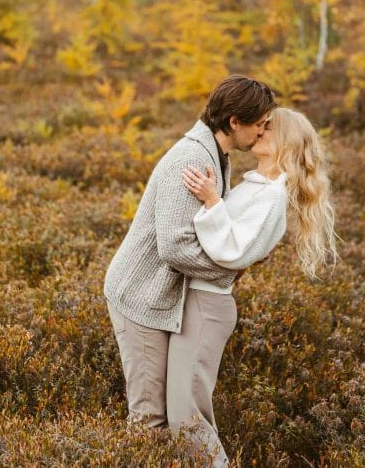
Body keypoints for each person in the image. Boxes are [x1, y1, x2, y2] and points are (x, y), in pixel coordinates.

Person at [103, 75, 277, 464]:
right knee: (149, 417)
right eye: (260, 123)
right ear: (235, 122)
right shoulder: (192, 159)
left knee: (172, 411)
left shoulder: (217, 156)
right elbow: (175, 247)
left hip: (165, 297)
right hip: (141, 298)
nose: (265, 131)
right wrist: (229, 272)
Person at [175, 107, 338, 466]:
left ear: (286, 142)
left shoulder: (272, 197)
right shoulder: (255, 185)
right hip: (196, 300)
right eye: (260, 125)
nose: (259, 131)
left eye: (268, 127)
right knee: (180, 411)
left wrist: (213, 202)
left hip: (208, 307)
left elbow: (234, 250)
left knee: (187, 415)